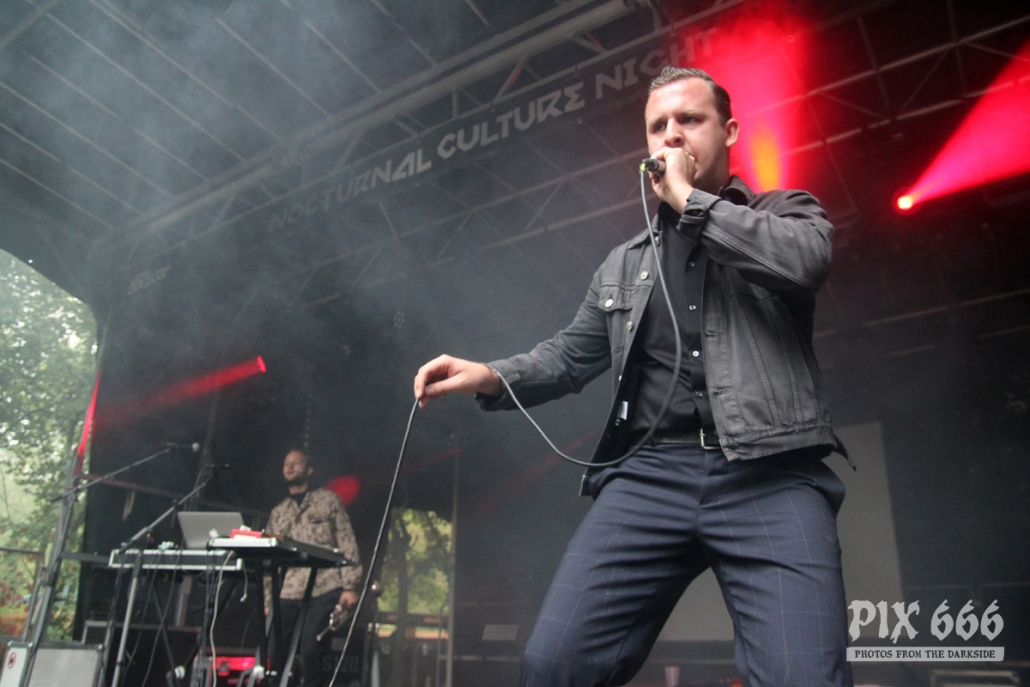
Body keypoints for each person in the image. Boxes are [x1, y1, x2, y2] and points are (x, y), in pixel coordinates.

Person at [412, 66, 853, 687]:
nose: (671, 135)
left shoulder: (783, 214)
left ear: (729, 132)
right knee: (553, 666)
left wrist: (691, 202)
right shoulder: (625, 265)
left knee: (801, 678)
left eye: (689, 120)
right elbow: (568, 357)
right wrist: (487, 374)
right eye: (657, 126)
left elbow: (805, 263)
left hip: (770, 472)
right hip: (651, 477)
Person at [264, 448, 363, 687]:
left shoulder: (328, 501)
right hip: (287, 590)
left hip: (323, 587)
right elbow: (269, 557)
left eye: (296, 462)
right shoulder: (278, 512)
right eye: (286, 463)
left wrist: (350, 586)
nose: (289, 466)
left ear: (309, 470)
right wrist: (268, 598)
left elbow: (346, 541)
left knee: (311, 651)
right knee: (274, 654)